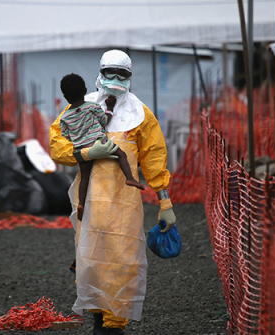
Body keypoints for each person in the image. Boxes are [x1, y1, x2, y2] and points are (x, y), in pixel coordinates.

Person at [49, 50, 176, 334]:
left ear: (130, 77)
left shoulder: (140, 114)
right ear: (100, 72)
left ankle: (113, 325)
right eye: (111, 73)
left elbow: (155, 158)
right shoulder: (80, 108)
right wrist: (84, 152)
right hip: (89, 204)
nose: (116, 80)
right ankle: (99, 321)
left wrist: (164, 201)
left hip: (124, 205)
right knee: (91, 261)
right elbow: (57, 145)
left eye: (123, 74)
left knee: (123, 262)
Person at [58, 73, 145, 221]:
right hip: (100, 143)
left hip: (82, 150)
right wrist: (110, 107)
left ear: (66, 97)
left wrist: (79, 137)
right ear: (85, 90)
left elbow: (65, 135)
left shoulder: (64, 117)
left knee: (84, 178)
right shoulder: (92, 107)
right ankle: (130, 178)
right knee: (121, 155)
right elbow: (104, 120)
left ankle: (81, 204)